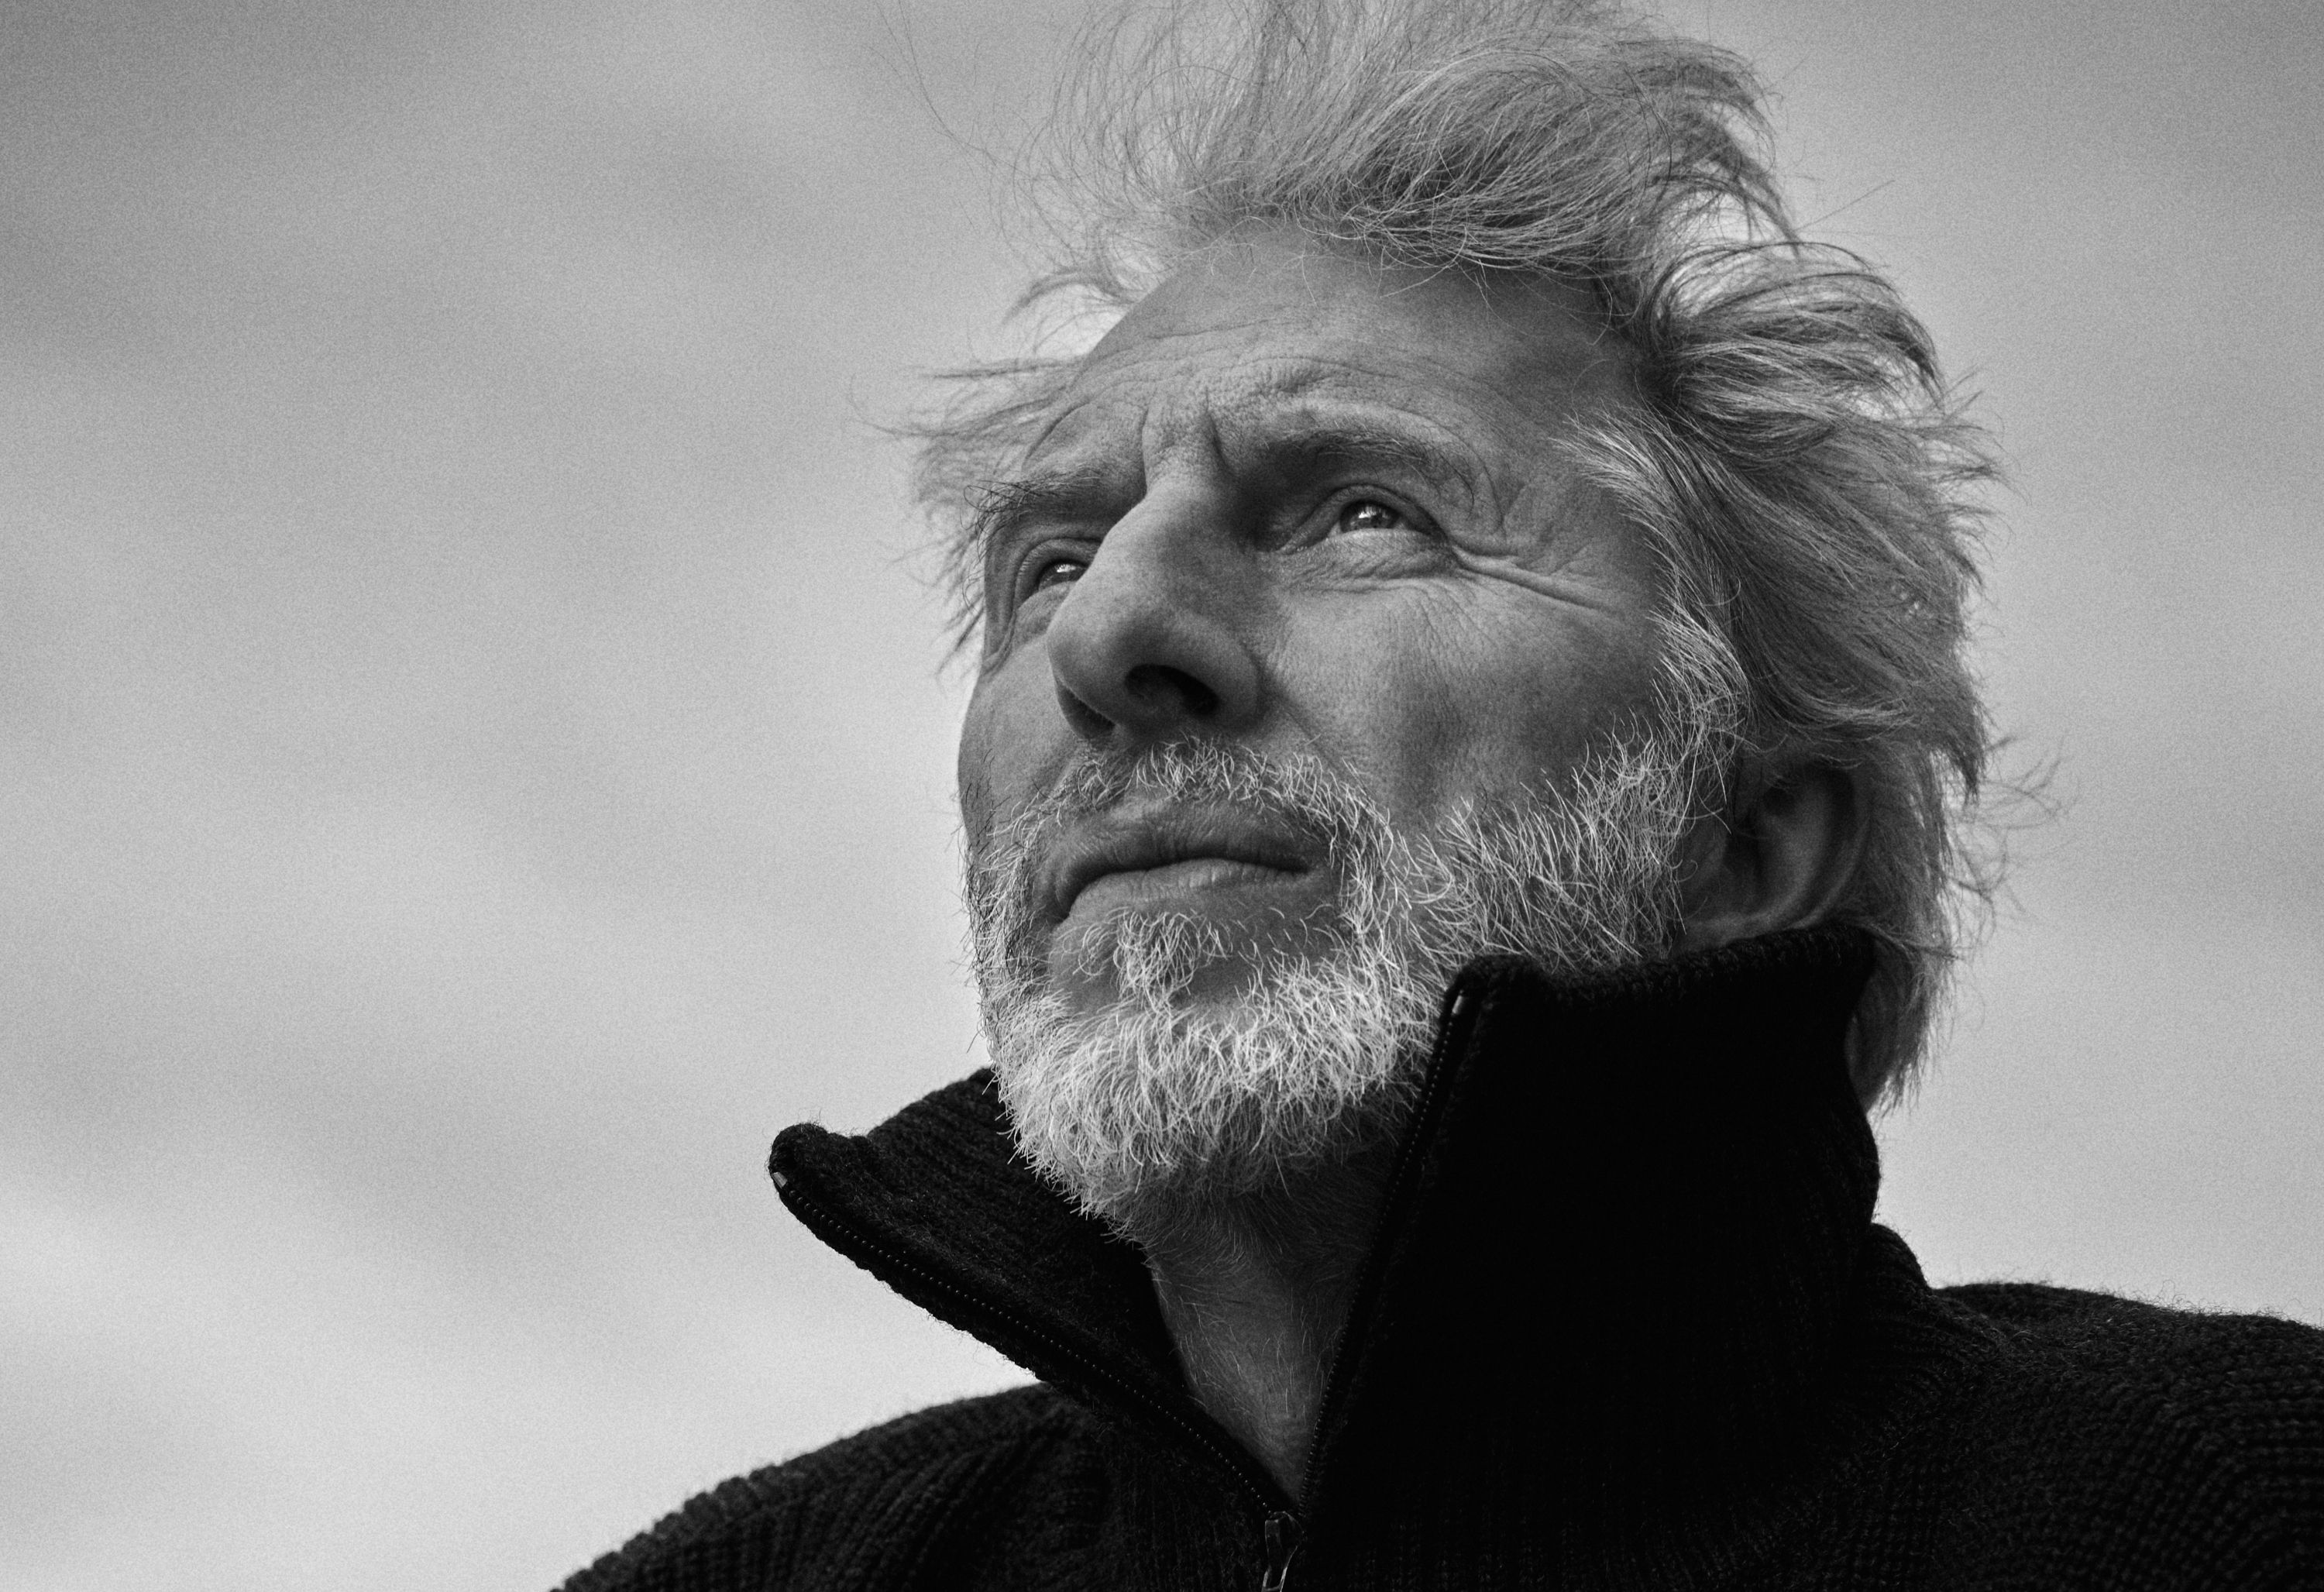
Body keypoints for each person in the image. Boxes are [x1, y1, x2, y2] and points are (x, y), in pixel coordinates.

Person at [559, 1, 2324, 1586]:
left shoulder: (2235, 1512)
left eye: (1363, 515)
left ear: (1745, 839)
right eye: (1052, 562)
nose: (1107, 633)